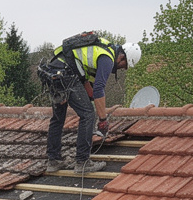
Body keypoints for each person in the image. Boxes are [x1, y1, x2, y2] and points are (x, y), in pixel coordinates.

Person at [44, 35, 141, 174]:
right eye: (124, 65)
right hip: (66, 74)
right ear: (122, 57)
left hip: (54, 72)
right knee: (89, 114)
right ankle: (83, 162)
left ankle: (53, 161)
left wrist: (89, 99)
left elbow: (87, 84)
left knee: (58, 117)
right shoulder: (107, 58)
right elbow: (99, 89)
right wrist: (102, 120)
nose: (123, 69)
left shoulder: (101, 50)